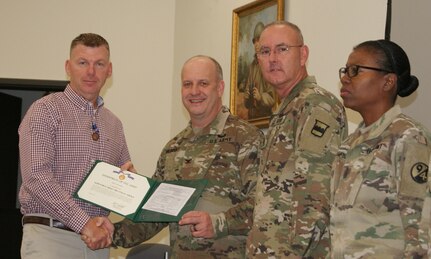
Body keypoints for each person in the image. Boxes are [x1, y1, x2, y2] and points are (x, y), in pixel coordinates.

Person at [107, 55, 263, 258]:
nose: (194, 91)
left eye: (203, 83)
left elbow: (264, 206)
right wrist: (112, 232)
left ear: (220, 88)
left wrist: (218, 223)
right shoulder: (173, 148)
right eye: (187, 84)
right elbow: (154, 216)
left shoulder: (246, 138)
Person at [18, 33, 134, 259]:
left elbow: (124, 175)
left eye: (99, 64)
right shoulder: (44, 110)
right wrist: (84, 223)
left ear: (109, 70)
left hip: (98, 244)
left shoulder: (114, 124)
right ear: (68, 67)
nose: (91, 72)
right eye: (83, 63)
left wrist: (130, 185)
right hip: (50, 238)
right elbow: (36, 177)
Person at [246, 21, 348, 258]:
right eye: (264, 51)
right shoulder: (287, 108)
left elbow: (315, 194)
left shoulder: (316, 105)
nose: (272, 58)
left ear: (303, 54)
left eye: (282, 49)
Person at [330, 39, 431, 258]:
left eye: (355, 71)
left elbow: (423, 231)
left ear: (388, 82)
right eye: (345, 70)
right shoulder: (349, 145)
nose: (345, 78)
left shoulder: (409, 137)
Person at [244, 22, 276, 120]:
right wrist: (247, 97)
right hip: (252, 118)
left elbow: (272, 97)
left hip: (265, 117)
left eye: (259, 40)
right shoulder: (252, 66)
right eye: (254, 41)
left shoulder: (270, 64)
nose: (256, 44)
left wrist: (260, 97)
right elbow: (246, 96)